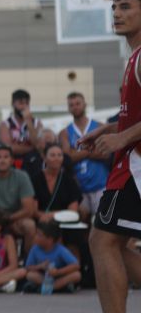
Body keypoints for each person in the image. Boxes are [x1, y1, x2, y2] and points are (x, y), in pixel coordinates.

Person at [72, 0, 141, 313]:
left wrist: (121, 139)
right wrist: (108, 129)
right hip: (129, 162)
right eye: (114, 7)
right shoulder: (133, 57)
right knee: (115, 243)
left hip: (134, 166)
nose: (117, 13)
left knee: (102, 241)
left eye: (126, 6)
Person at [59, 91, 111, 221]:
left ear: (84, 104)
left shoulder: (100, 127)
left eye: (78, 103)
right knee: (82, 226)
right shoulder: (64, 132)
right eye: (71, 105)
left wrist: (77, 152)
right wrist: (91, 150)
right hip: (79, 187)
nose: (75, 107)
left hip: (101, 184)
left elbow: (106, 153)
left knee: (101, 224)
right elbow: (68, 159)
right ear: (68, 108)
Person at [23, 221, 81, 293]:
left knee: (77, 275)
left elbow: (76, 265)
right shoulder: (35, 249)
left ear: (50, 239)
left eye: (39, 235)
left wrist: (58, 272)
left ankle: (51, 287)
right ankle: (56, 287)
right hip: (43, 276)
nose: (35, 237)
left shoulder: (60, 249)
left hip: (59, 276)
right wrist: (39, 266)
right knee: (30, 275)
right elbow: (28, 267)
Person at [30, 143, 82, 223]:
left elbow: (73, 211)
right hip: (41, 220)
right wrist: (46, 217)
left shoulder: (69, 180)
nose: (56, 158)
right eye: (52, 155)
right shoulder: (35, 179)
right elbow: (34, 211)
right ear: (44, 158)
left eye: (59, 155)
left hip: (64, 221)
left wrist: (51, 216)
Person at [0, 89, 45, 172]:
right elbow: (9, 148)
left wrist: (29, 122)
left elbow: (40, 145)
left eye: (26, 103)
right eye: (20, 103)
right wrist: (32, 148)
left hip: (33, 163)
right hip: (13, 164)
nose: (24, 106)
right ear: (13, 104)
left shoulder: (37, 123)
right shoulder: (5, 124)